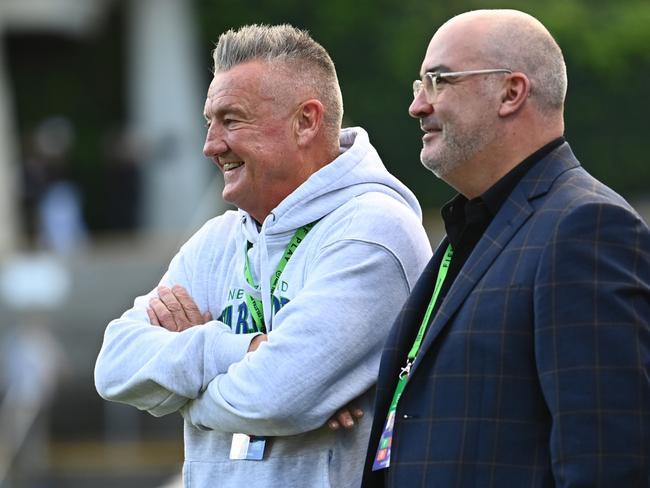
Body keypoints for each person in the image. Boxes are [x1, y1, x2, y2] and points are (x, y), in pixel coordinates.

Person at [94, 24, 431, 487]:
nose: (210, 145)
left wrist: (186, 394)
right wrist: (241, 349)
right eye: (209, 122)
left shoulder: (372, 230)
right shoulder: (216, 239)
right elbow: (114, 365)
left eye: (231, 120)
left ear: (306, 122)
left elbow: (276, 396)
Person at [362, 9, 650, 487]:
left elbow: (610, 458)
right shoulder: (475, 227)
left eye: (438, 81)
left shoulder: (586, 228)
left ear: (511, 93)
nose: (417, 105)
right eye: (419, 85)